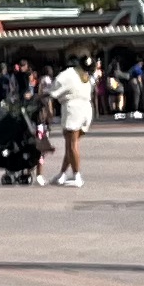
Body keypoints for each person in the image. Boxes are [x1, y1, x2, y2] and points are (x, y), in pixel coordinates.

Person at [48, 52, 96, 186]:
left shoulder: (69, 73)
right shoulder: (87, 76)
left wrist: (45, 97)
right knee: (71, 145)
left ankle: (77, 176)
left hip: (73, 109)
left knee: (72, 145)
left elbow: (54, 89)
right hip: (87, 109)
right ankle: (62, 174)